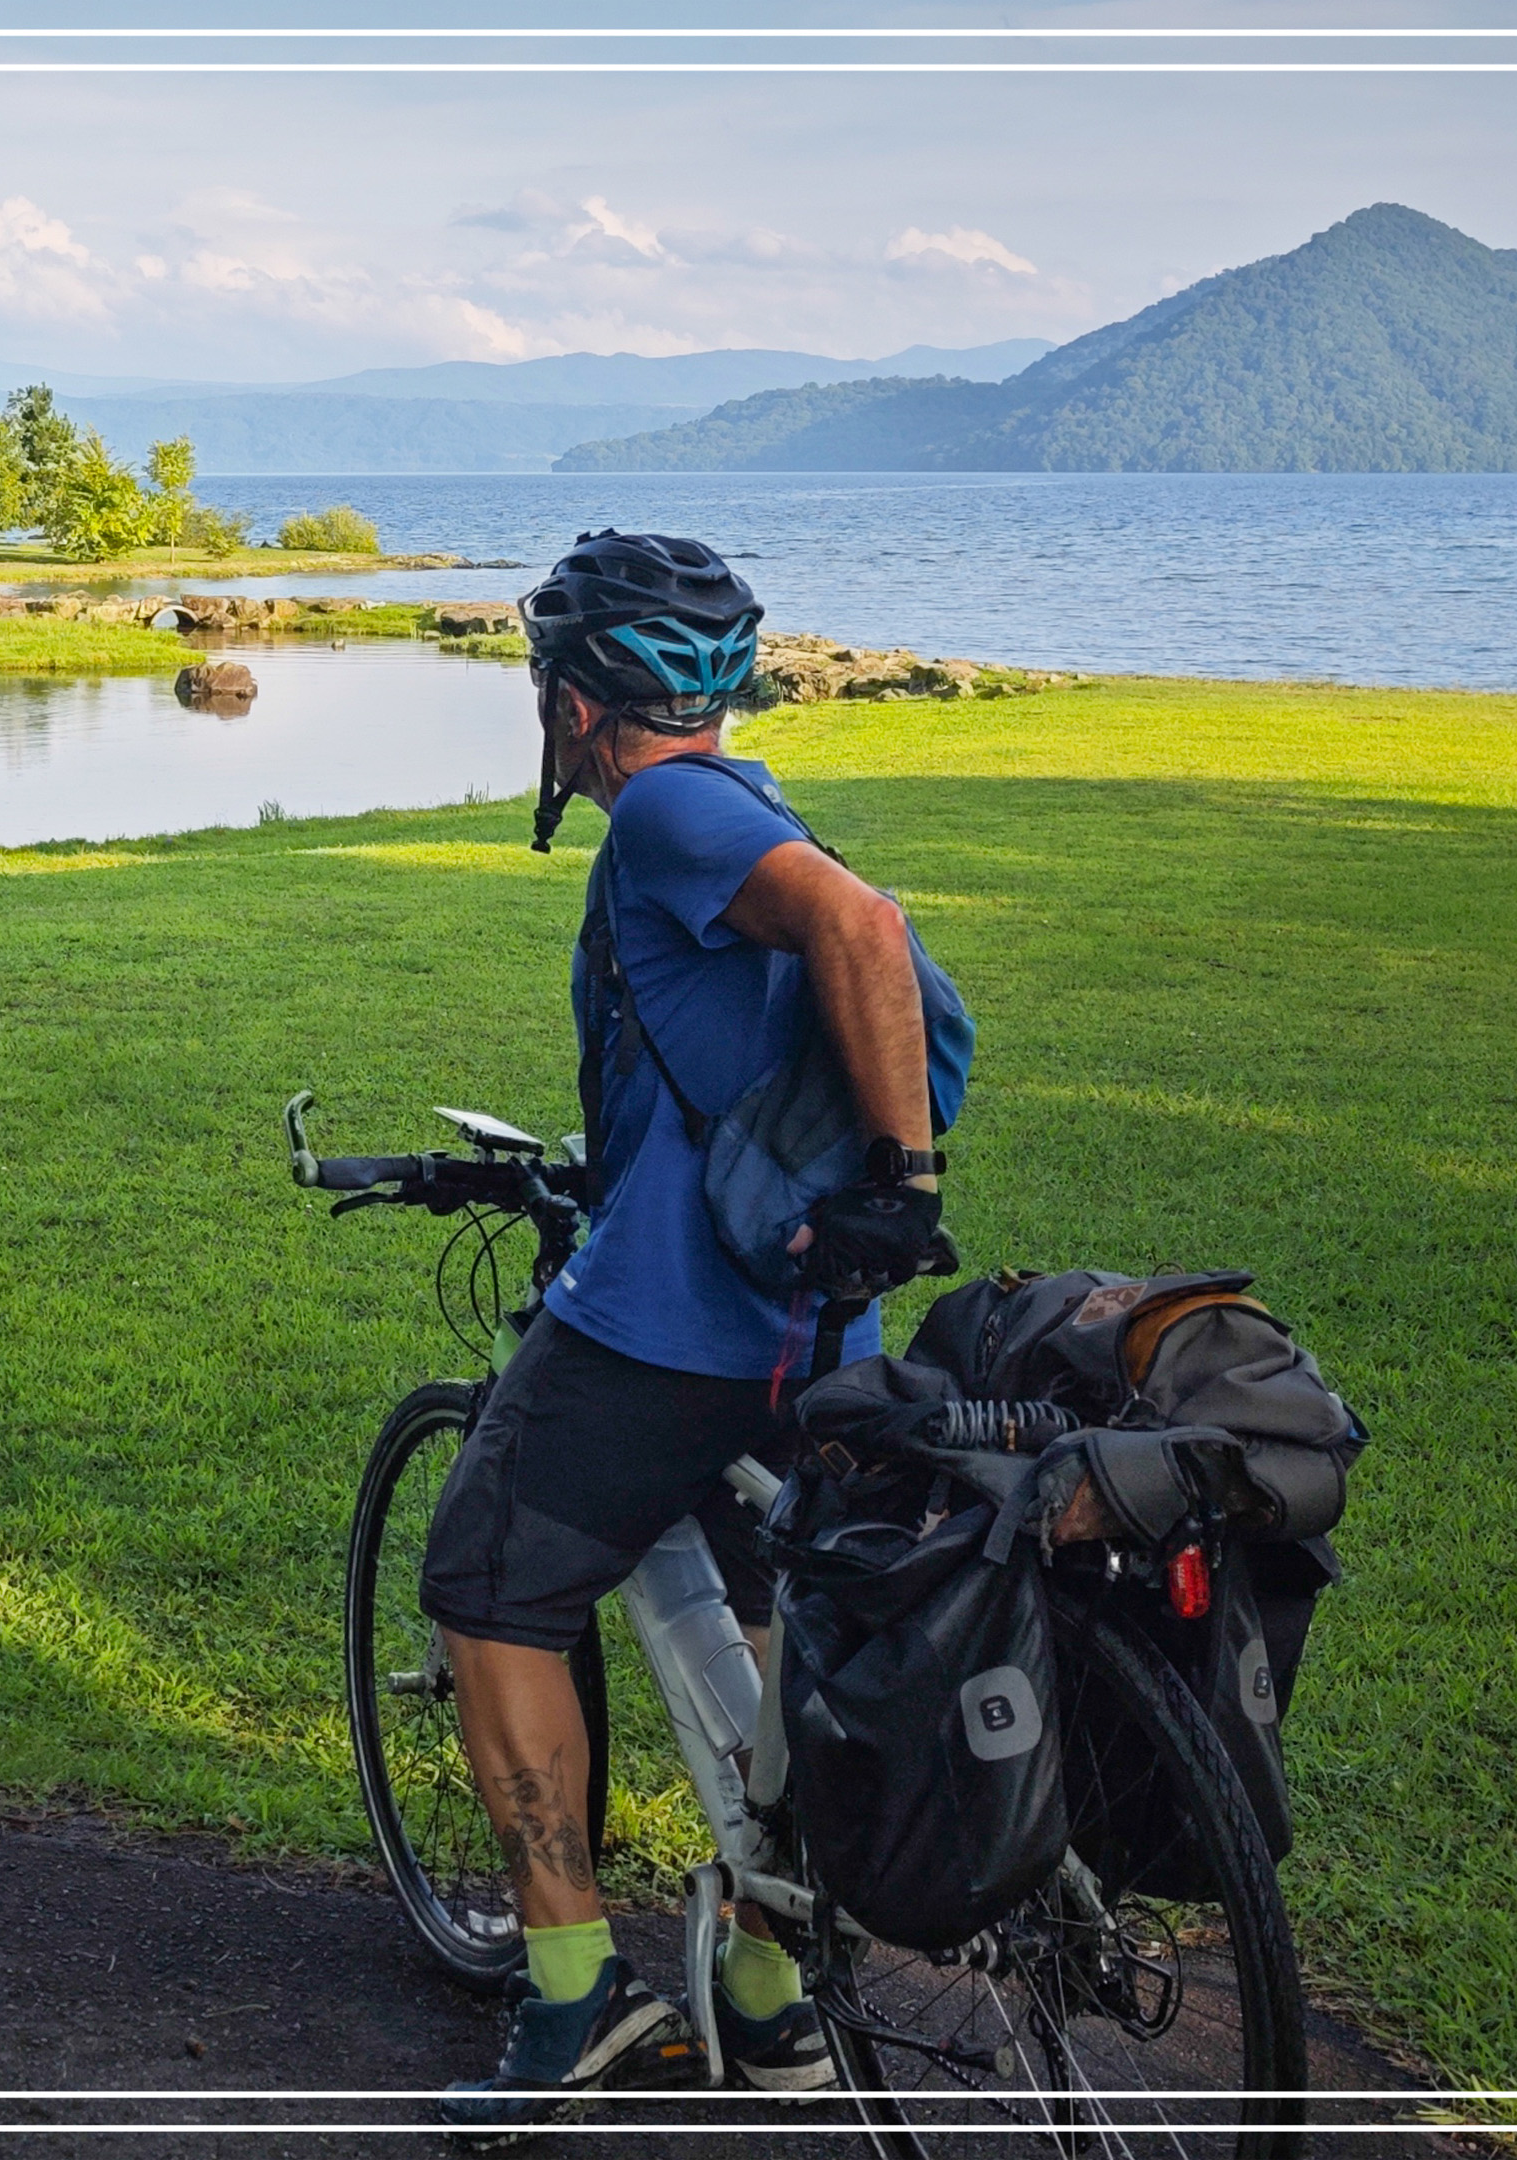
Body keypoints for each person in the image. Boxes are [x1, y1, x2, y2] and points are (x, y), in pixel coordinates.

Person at [426, 530, 953, 2128]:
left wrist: (906, 1180)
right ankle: (772, 2005)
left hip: (680, 1324)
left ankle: (575, 1995)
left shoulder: (660, 808)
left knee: (487, 1582)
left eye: (544, 683)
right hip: (810, 1323)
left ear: (581, 704)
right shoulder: (746, 798)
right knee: (767, 1619)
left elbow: (862, 933)